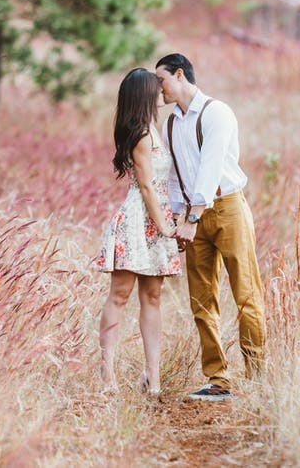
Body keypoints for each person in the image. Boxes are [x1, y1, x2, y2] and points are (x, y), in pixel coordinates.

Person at [155, 53, 266, 402]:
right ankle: (218, 379)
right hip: (192, 217)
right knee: (201, 299)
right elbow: (174, 177)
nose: (158, 89)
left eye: (161, 80)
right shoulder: (170, 123)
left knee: (245, 293)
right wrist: (178, 218)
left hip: (227, 208)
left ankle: (257, 377)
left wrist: (192, 217)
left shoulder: (216, 112)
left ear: (179, 74)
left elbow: (211, 166)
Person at [96, 68, 182, 397]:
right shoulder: (142, 134)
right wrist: (163, 226)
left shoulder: (154, 129)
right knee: (119, 295)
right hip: (139, 218)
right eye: (155, 87)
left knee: (153, 297)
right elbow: (145, 185)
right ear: (144, 95)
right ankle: (107, 376)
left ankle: (153, 376)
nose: (161, 90)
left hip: (156, 216)